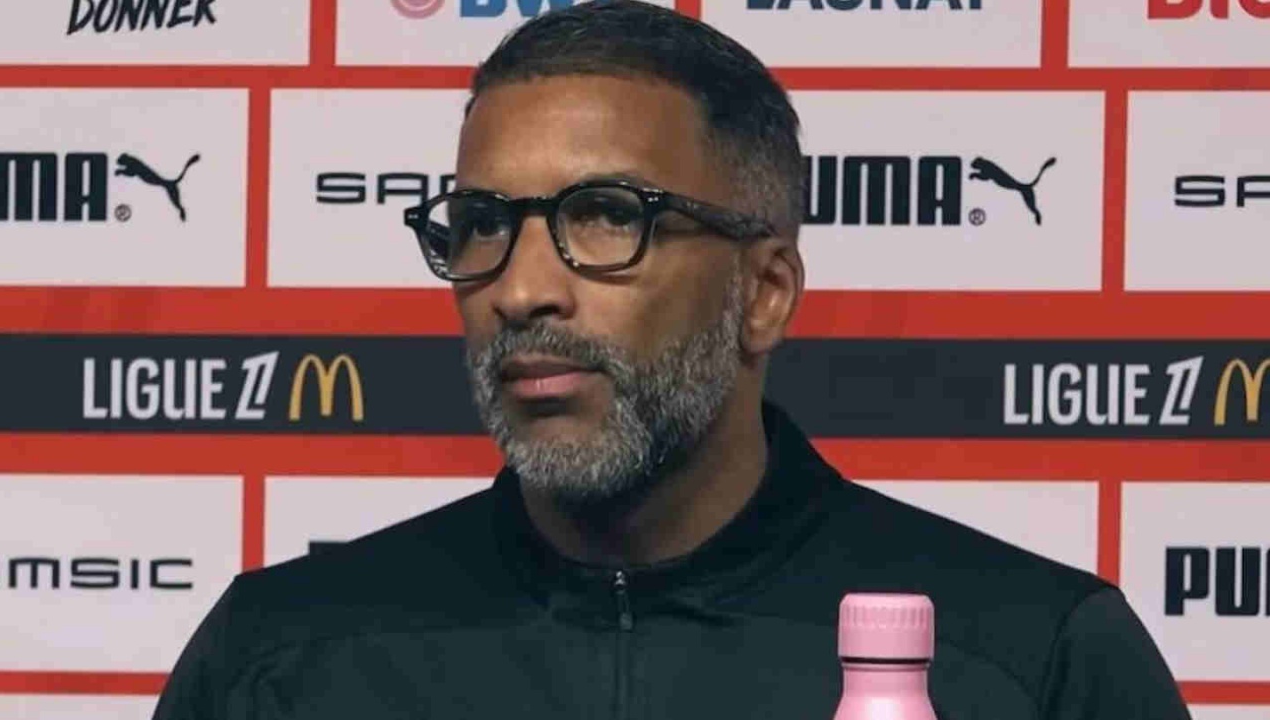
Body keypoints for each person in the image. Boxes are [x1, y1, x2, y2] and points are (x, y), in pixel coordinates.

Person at [153, 2, 1192, 718]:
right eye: (481, 224)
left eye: (607, 215)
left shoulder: (1030, 660)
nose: (520, 289)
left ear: (764, 292)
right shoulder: (282, 661)